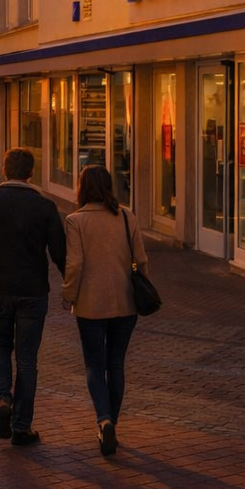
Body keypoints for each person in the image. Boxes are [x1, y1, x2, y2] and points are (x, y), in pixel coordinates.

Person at [0, 147, 66, 447]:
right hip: (33, 290)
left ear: (4, 170)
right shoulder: (45, 207)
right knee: (27, 359)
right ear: (31, 173)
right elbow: (60, 253)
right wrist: (72, 284)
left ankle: (2, 398)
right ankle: (22, 427)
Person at [63, 165, 147, 458]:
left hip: (90, 303)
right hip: (126, 302)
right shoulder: (126, 216)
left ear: (82, 188)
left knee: (94, 365)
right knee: (116, 364)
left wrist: (68, 294)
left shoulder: (76, 220)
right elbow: (141, 259)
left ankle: (104, 419)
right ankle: (113, 423)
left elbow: (74, 264)